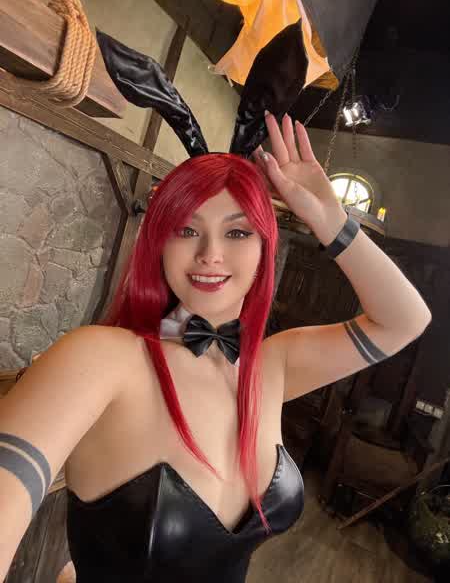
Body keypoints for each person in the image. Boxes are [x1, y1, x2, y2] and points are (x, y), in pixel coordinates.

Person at [0, 114, 432, 582]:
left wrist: (331, 220)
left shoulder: (273, 366)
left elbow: (405, 321)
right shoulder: (103, 358)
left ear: (266, 248)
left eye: (238, 232)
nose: (210, 253)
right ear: (160, 245)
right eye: (186, 230)